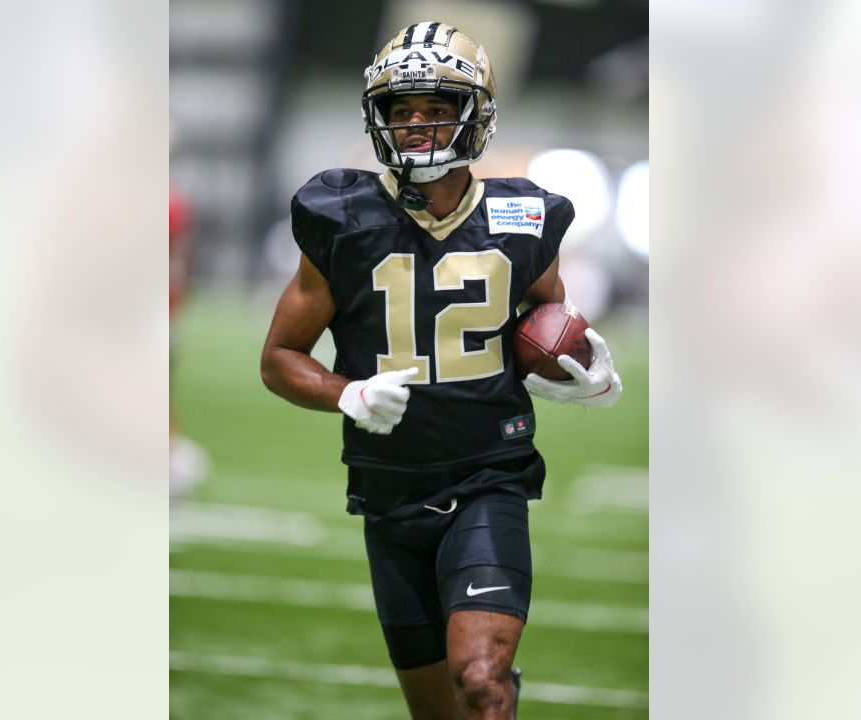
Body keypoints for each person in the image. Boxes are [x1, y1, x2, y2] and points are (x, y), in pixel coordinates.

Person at [260, 21, 622, 720]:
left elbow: (547, 328)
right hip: (388, 492)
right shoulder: (342, 216)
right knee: (437, 714)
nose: (417, 124)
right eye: (402, 109)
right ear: (377, 117)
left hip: (489, 474)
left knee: (482, 681)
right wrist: (349, 393)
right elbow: (279, 359)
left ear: (474, 113)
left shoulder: (525, 215)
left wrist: (580, 365)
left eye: (436, 107)